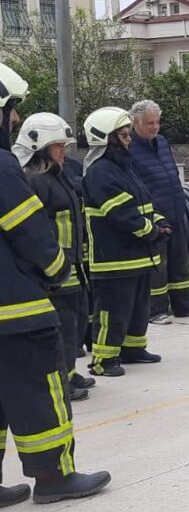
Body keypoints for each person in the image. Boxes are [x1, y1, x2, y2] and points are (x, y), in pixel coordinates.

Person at [0, 62, 111, 507]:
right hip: (17, 311)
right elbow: (30, 234)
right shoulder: (2, 167)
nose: (11, 120)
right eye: (10, 110)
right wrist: (57, 271)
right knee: (40, 392)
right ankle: (53, 476)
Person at [14, 113, 95, 401]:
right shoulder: (36, 181)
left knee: (76, 326)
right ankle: (62, 380)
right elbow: (37, 232)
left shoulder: (56, 177)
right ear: (41, 148)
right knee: (63, 328)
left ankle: (70, 373)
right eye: (58, 146)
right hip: (56, 273)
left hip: (74, 269)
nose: (64, 151)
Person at [82, 107, 167, 377]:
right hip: (113, 260)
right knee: (112, 311)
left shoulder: (124, 168)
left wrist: (160, 221)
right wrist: (151, 231)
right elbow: (122, 215)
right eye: (123, 135)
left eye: (128, 134)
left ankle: (133, 349)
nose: (128, 140)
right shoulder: (100, 172)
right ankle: (103, 360)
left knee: (138, 308)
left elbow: (143, 203)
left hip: (138, 255)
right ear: (106, 139)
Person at [128, 100, 189, 324]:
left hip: (175, 211)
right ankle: (155, 311)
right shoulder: (130, 148)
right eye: (149, 123)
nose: (155, 127)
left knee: (179, 262)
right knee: (158, 266)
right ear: (135, 123)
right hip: (153, 217)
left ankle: (185, 305)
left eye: (157, 122)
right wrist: (152, 216)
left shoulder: (162, 142)